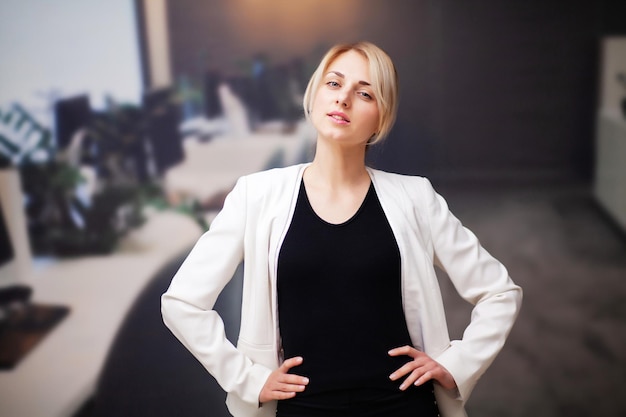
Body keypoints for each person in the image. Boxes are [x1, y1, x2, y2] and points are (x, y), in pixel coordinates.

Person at [161, 41, 522, 417]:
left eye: (364, 93)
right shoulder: (256, 196)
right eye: (334, 84)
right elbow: (182, 302)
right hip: (300, 410)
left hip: (402, 407)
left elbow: (500, 293)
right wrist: (247, 379)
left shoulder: (416, 198)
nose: (344, 99)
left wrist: (455, 365)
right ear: (314, 95)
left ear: (382, 117)